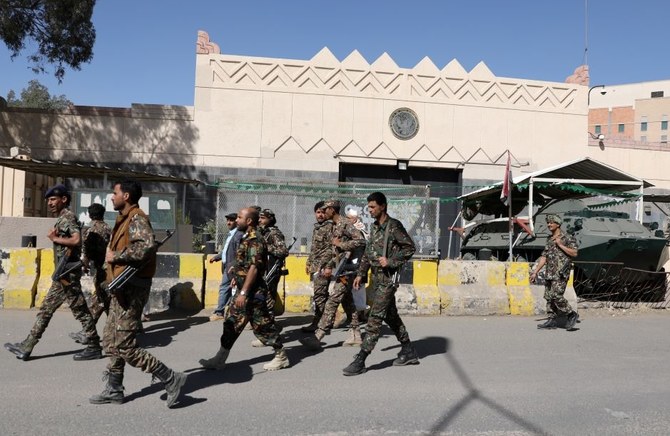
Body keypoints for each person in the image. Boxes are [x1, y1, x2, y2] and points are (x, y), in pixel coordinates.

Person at [89, 180, 186, 408]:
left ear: (127, 196)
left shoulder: (136, 218)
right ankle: (114, 389)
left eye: (115, 193)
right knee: (111, 340)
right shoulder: (124, 219)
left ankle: (171, 378)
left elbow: (145, 246)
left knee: (125, 345)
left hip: (131, 289)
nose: (111, 197)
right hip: (120, 289)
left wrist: (116, 256)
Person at [4, 184, 103, 361]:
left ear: (63, 199)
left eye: (52, 199)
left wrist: (54, 238)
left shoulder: (68, 217)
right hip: (64, 273)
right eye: (48, 200)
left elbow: (76, 239)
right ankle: (27, 346)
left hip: (67, 274)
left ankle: (94, 345)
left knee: (74, 310)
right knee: (52, 310)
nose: (49, 203)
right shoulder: (63, 218)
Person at [199, 207, 289, 371]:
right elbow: (244, 265)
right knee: (231, 324)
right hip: (243, 289)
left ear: (248, 221)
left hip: (253, 293)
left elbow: (254, 268)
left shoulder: (255, 239)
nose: (236, 220)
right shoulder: (245, 237)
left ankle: (281, 356)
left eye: (240, 217)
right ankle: (220, 358)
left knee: (263, 326)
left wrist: (243, 292)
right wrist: (236, 278)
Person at [343, 192, 418, 376]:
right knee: (391, 316)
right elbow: (369, 253)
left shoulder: (393, 226)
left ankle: (361, 359)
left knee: (374, 317)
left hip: (388, 280)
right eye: (368, 207)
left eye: (372, 207)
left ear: (382, 206)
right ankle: (408, 350)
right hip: (377, 278)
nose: (369, 210)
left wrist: (391, 261)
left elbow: (410, 247)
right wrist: (361, 274)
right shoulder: (375, 228)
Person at [300, 199, 366, 350]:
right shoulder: (336, 225)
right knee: (347, 301)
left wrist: (341, 244)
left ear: (332, 210)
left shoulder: (346, 224)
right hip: (340, 268)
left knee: (333, 299)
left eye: (326, 210)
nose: (324, 213)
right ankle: (355, 334)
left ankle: (319, 335)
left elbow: (361, 241)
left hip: (349, 269)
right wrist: (328, 265)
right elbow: (334, 251)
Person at [69, 203, 112, 345]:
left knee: (101, 300)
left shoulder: (88, 230)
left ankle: (89, 333)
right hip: (109, 268)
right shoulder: (108, 229)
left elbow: (85, 251)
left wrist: (85, 265)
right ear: (103, 214)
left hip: (100, 270)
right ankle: (89, 331)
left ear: (89, 214)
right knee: (102, 300)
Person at [530, 214, 580, 330]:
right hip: (549, 272)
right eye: (548, 223)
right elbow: (544, 256)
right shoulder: (549, 239)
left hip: (561, 272)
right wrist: (535, 271)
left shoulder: (567, 238)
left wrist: (560, 245)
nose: (549, 225)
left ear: (558, 224)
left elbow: (574, 253)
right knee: (548, 297)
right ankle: (552, 320)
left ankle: (571, 314)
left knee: (557, 295)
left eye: (551, 223)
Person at [254, 208, 288, 343]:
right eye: (260, 218)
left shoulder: (274, 233)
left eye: (263, 218)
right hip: (264, 270)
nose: (260, 220)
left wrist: (266, 248)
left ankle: (269, 335)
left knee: (267, 301)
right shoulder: (263, 232)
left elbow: (283, 251)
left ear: (270, 219)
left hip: (272, 270)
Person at [302, 201, 334, 332]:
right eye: (318, 212)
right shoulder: (317, 227)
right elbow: (314, 248)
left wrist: (328, 266)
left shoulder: (329, 227)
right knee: (320, 296)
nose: (320, 215)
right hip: (316, 266)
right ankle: (325, 321)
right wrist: (309, 262)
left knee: (320, 296)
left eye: (322, 212)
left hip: (323, 266)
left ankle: (319, 324)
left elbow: (331, 249)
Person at [208, 212, 243, 321]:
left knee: (227, 288)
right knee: (228, 289)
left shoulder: (238, 234)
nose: (228, 222)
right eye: (227, 220)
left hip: (232, 267)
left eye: (231, 220)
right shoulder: (230, 234)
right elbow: (226, 251)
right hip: (227, 266)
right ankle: (224, 311)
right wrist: (217, 257)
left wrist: (235, 267)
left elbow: (239, 252)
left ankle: (220, 312)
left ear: (236, 222)